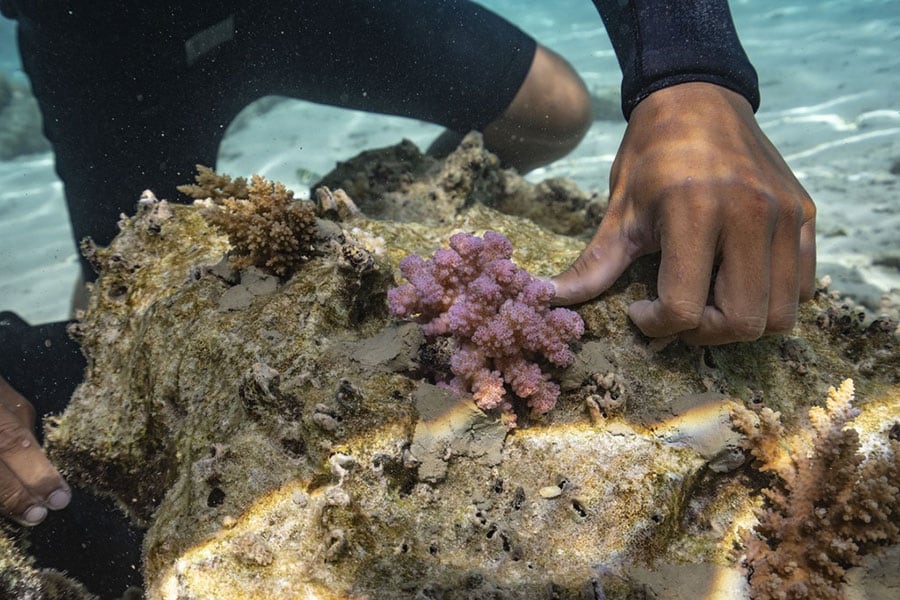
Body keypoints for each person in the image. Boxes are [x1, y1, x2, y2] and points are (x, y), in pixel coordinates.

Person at [0, 0, 815, 594]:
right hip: (108, 37)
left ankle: (370, 209)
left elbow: (670, 71)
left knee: (555, 112)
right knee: (120, 278)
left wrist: (689, 75)